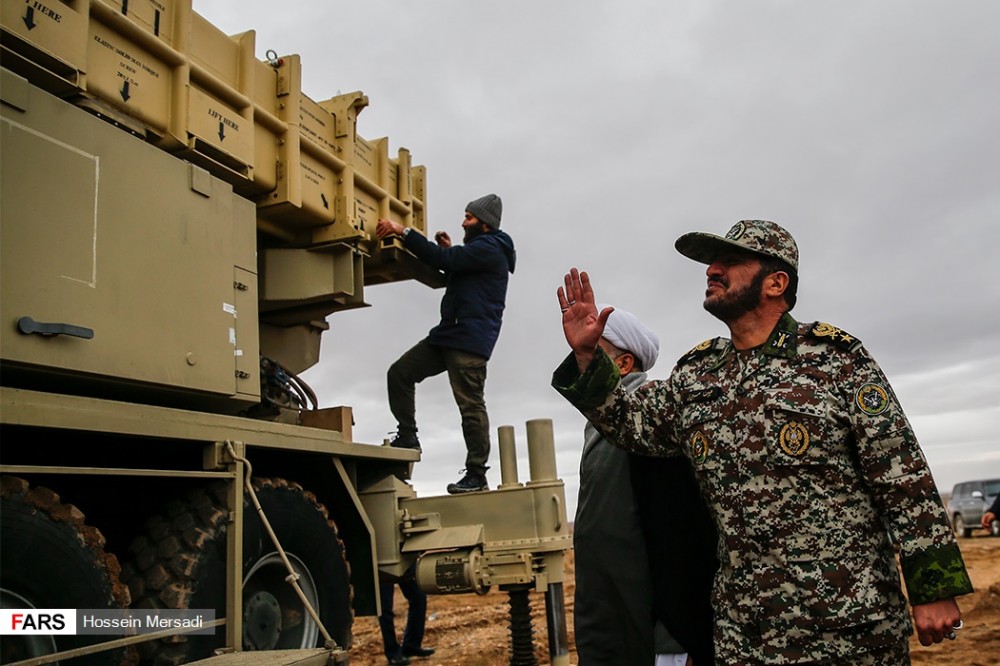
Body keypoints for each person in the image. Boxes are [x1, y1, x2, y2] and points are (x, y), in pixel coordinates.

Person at [552, 220, 973, 664]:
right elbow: (626, 424)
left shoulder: (836, 361)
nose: (712, 270)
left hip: (848, 626)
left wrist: (935, 588)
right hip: (745, 634)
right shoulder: (697, 375)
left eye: (730, 261)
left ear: (776, 282)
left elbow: (903, 477)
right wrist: (587, 357)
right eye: (712, 263)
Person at [573, 306, 697, 665]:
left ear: (624, 365)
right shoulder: (598, 425)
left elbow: (679, 535)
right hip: (611, 629)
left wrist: (677, 641)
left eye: (593, 350)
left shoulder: (651, 418)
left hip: (658, 640)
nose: (581, 359)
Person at [375, 194, 515, 494]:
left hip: (468, 341)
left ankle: (477, 475)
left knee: (470, 407)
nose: (464, 222)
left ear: (485, 224)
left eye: (469, 218)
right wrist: (449, 251)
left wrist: (404, 232)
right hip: (449, 334)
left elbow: (446, 262)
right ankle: (408, 435)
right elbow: (455, 266)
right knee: (399, 373)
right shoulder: (480, 250)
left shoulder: (491, 248)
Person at [377, 570, 435, 665]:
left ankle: (411, 646)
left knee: (418, 596)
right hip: (379, 566)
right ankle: (392, 653)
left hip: (400, 562)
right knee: (385, 608)